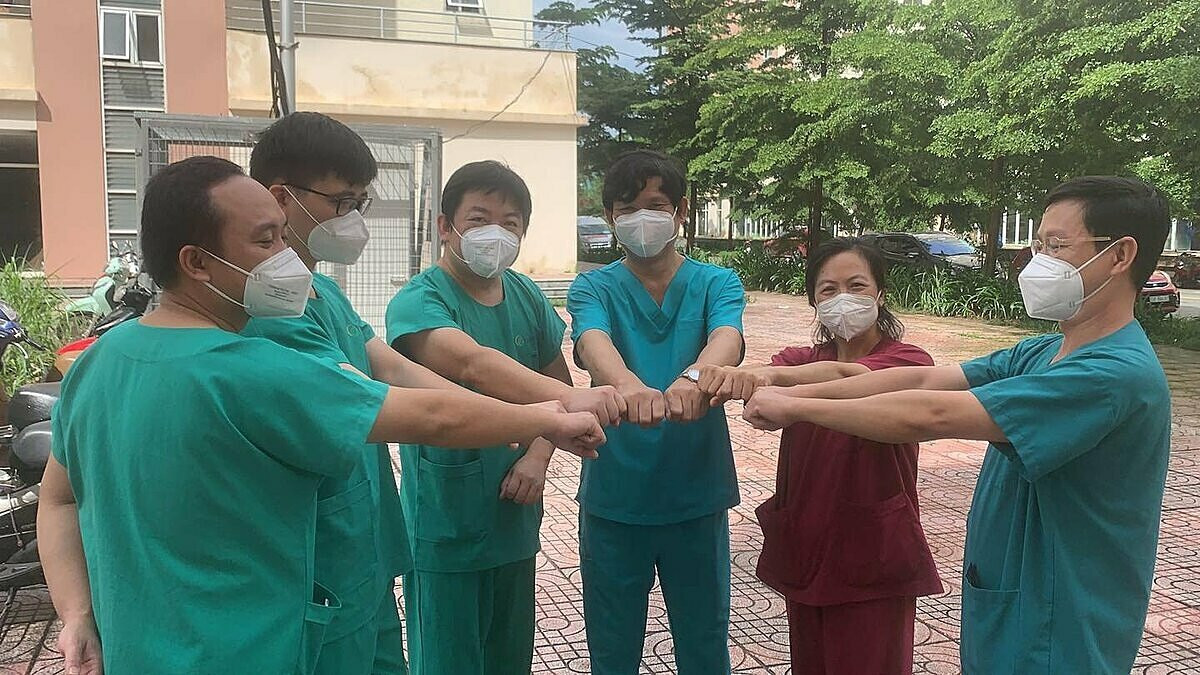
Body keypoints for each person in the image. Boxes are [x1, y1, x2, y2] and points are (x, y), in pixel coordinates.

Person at [37, 156, 605, 675]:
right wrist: (549, 419)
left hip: (137, 651)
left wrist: (78, 614)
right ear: (196, 263)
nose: (287, 257)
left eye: (284, 235)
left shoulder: (97, 361)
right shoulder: (249, 370)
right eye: (265, 242)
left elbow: (59, 498)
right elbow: (432, 415)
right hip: (248, 649)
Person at [742, 176, 1172, 674]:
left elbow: (935, 413)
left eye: (1057, 246)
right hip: (1014, 602)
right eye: (1039, 245)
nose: (1039, 262)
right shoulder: (1043, 352)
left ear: (1119, 256)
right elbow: (926, 379)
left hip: (1063, 617)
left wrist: (799, 408)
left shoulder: (1109, 374)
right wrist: (793, 391)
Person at [242, 112, 465, 675]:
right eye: (343, 201)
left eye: (360, 202)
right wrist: (530, 418)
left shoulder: (321, 291)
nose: (354, 219)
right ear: (281, 199)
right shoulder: (267, 310)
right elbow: (374, 403)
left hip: (363, 545)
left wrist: (505, 410)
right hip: (319, 562)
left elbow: (389, 366)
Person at [385, 160, 625, 675]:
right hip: (446, 518)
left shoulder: (527, 295)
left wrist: (539, 457)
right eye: (478, 219)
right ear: (445, 226)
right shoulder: (419, 300)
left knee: (509, 655)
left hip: (514, 516)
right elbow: (472, 362)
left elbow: (557, 382)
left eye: (511, 223)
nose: (495, 233)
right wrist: (562, 410)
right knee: (448, 659)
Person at [696, 238, 942, 674]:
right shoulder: (798, 359)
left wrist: (774, 380)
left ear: (881, 293)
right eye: (828, 290)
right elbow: (770, 391)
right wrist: (721, 379)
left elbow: (846, 375)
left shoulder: (907, 360)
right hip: (808, 545)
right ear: (813, 300)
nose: (842, 298)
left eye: (857, 285)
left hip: (874, 554)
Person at [567, 149, 746, 674]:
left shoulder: (717, 281)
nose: (641, 218)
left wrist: (695, 377)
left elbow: (726, 335)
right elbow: (592, 337)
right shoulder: (593, 286)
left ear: (680, 211)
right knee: (612, 641)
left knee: (704, 639)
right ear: (610, 219)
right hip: (615, 498)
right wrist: (628, 386)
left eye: (655, 204)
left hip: (696, 492)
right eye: (627, 208)